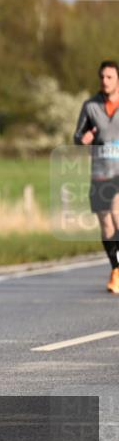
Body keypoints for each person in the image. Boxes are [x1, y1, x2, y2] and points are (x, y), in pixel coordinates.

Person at [73, 60, 119, 293]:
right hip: (100, 172)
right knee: (106, 223)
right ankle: (116, 269)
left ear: (117, 79)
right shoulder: (90, 106)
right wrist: (84, 140)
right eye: (102, 77)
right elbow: (77, 136)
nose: (105, 81)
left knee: (116, 212)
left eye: (109, 77)